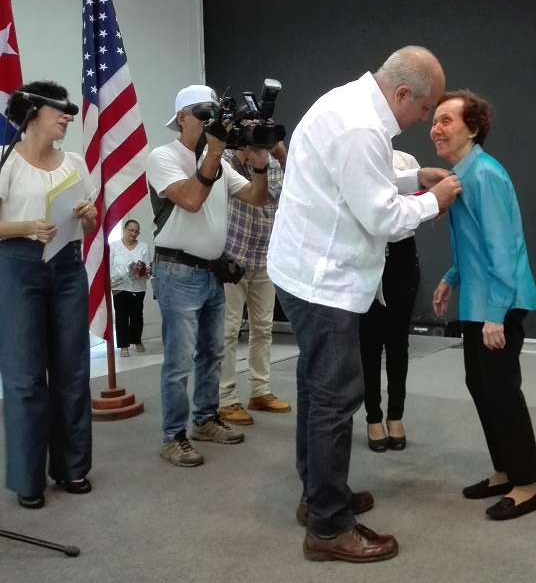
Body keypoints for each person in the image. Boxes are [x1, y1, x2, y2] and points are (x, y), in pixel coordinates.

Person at [267, 46, 461, 562]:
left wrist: (411, 178)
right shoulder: (361, 128)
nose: (424, 121)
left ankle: (318, 495)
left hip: (305, 271)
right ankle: (329, 529)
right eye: (424, 109)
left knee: (316, 391)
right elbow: (380, 218)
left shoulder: (348, 105)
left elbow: (349, 184)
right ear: (401, 93)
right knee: (335, 398)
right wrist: (431, 202)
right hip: (323, 280)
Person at [430, 89, 536, 521]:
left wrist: (495, 314)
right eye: (435, 120)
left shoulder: (485, 175)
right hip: (477, 302)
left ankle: (528, 484)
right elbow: (472, 243)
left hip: (499, 304)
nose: (436, 129)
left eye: (446, 120)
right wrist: (450, 278)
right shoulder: (462, 174)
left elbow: (504, 249)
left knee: (502, 392)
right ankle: (505, 469)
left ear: (472, 128)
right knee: (481, 387)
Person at [146, 84, 271, 468]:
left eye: (216, 118)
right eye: (204, 116)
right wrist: (215, 152)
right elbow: (191, 200)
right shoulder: (162, 156)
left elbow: (256, 197)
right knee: (180, 361)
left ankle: (204, 420)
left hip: (212, 272)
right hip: (177, 271)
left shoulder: (222, 164)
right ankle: (172, 436)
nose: (210, 125)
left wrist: (260, 161)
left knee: (211, 354)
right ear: (181, 118)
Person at [0, 81, 98, 508]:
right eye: (60, 110)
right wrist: (26, 227)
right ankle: (28, 478)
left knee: (72, 370)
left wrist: (90, 216)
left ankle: (72, 467)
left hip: (68, 265)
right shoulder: (6, 162)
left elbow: (91, 224)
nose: (68, 118)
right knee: (24, 376)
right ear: (33, 111)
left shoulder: (74, 163)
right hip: (18, 266)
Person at [218, 140, 291, 426]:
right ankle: (226, 399)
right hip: (231, 256)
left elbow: (280, 194)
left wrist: (280, 155)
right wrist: (241, 155)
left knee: (263, 329)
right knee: (228, 330)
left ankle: (260, 392)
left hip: (265, 256)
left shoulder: (272, 161)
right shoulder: (223, 159)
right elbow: (247, 193)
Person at [361, 150, 422, 453]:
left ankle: (396, 416)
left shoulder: (406, 161)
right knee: (368, 344)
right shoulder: (361, 157)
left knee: (398, 343)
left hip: (401, 257)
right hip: (366, 253)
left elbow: (416, 210)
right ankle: (373, 417)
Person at [110, 219, 150, 357]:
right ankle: (123, 345)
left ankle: (137, 340)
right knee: (121, 316)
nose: (133, 233)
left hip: (138, 287)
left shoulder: (143, 246)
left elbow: (148, 268)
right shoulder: (113, 246)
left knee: (137, 316)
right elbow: (108, 268)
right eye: (131, 230)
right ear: (124, 229)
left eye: (136, 231)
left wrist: (141, 272)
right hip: (119, 287)